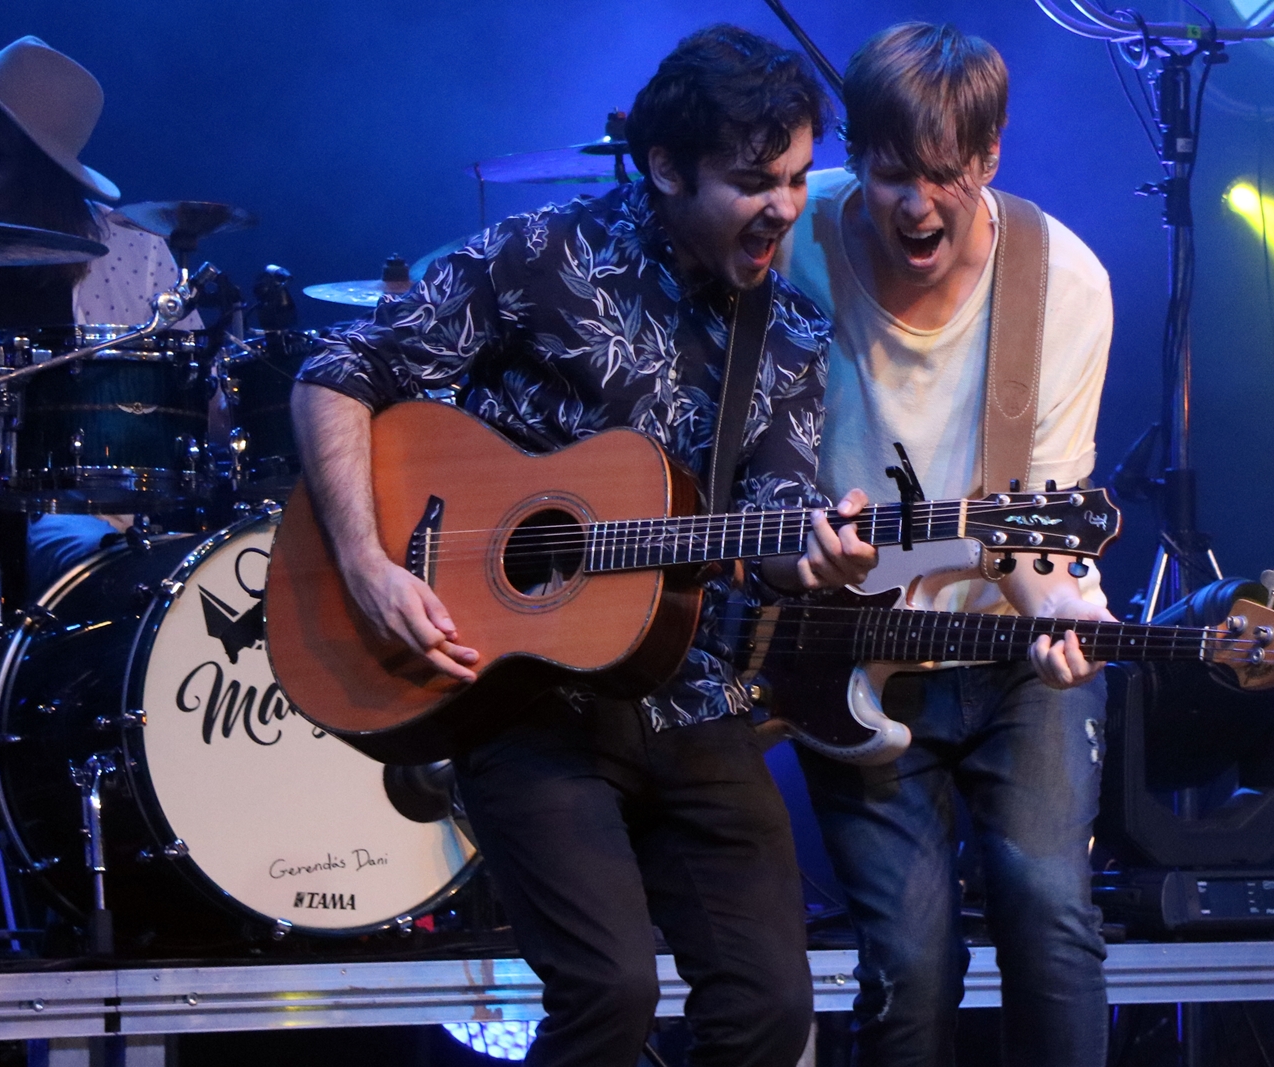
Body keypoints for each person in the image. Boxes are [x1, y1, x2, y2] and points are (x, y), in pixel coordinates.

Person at [290, 26, 876, 1067]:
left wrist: (817, 553)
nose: (785, 207)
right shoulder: (540, 256)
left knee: (772, 1008)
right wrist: (369, 563)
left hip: (691, 695)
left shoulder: (789, 331)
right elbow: (336, 370)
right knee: (609, 990)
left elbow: (777, 513)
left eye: (794, 178)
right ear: (665, 167)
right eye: (753, 182)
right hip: (526, 703)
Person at [773, 23, 1115, 1067]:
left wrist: (1061, 611)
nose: (916, 206)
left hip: (1009, 650)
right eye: (889, 174)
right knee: (909, 967)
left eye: (943, 175)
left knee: (1049, 914)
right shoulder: (793, 243)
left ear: (991, 154)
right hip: (851, 651)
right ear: (853, 158)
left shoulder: (1064, 281)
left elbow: (1040, 517)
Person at [0, 36, 198, 594]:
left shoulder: (136, 252)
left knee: (85, 559)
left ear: (40, 169)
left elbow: (194, 390)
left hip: (80, 509)